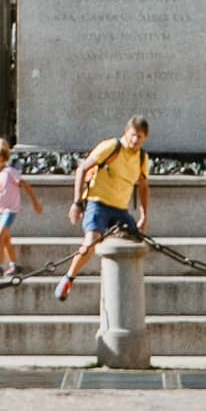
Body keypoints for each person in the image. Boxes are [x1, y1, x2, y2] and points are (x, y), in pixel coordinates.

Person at [54, 117, 151, 304]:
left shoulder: (142, 158)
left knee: (136, 243)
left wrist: (144, 215)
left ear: (145, 138)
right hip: (98, 203)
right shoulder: (111, 147)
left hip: (120, 209)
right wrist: (77, 202)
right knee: (90, 242)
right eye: (133, 135)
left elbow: (144, 186)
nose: (135, 140)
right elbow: (82, 169)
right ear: (126, 133)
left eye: (139, 137)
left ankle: (127, 291)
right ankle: (69, 278)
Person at [0, 140, 43, 283]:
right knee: (5, 239)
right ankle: (13, 264)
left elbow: (25, 185)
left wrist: (35, 201)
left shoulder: (10, 172)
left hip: (8, 210)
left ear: (0, 159)